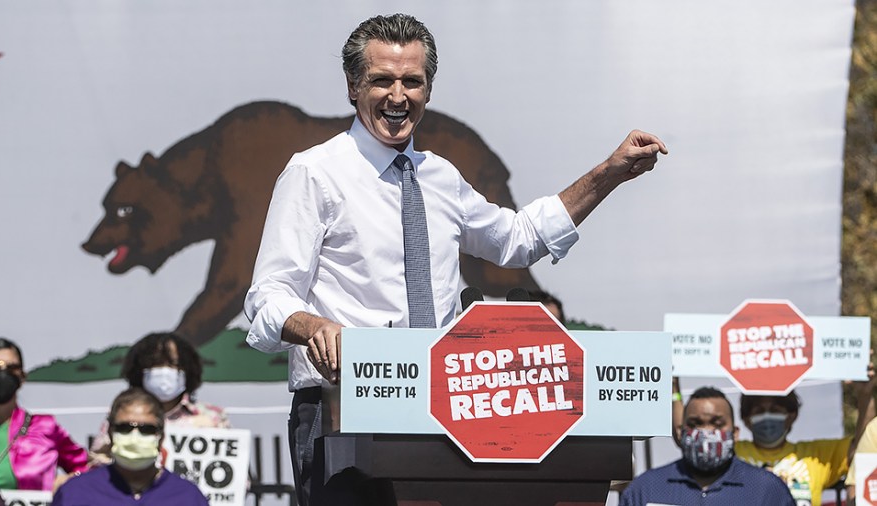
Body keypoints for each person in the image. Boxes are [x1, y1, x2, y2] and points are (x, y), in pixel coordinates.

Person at [243, 13, 667, 505]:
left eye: (412, 82)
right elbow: (267, 296)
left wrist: (609, 174)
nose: (398, 97)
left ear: (429, 89)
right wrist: (314, 326)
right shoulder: (314, 172)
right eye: (382, 80)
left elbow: (520, 238)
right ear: (353, 86)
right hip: (345, 406)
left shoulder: (439, 175)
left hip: (442, 407)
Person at [672, 377, 875, 506]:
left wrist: (865, 396)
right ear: (745, 420)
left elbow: (863, 449)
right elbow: (688, 439)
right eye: (759, 411)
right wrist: (673, 390)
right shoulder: (733, 453)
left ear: (792, 415)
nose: (767, 416)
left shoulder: (815, 455)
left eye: (775, 410)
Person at [620, 386, 795, 505]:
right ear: (681, 432)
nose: (706, 431)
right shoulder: (646, 488)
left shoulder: (767, 489)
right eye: (696, 423)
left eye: (717, 423)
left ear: (735, 433)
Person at [89, 332, 230, 465]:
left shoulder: (212, 417)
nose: (164, 371)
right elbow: (96, 464)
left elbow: (236, 473)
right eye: (155, 364)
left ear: (187, 369)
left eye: (172, 364)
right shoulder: (123, 416)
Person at [52, 388, 208, 505]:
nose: (135, 436)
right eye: (125, 428)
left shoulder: (188, 497)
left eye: (146, 429)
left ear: (161, 437)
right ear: (111, 434)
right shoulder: (75, 493)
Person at [0, 337, 87, 491]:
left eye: (12, 367)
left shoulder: (45, 426)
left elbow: (86, 469)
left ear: (22, 377)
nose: (2, 372)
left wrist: (68, 482)